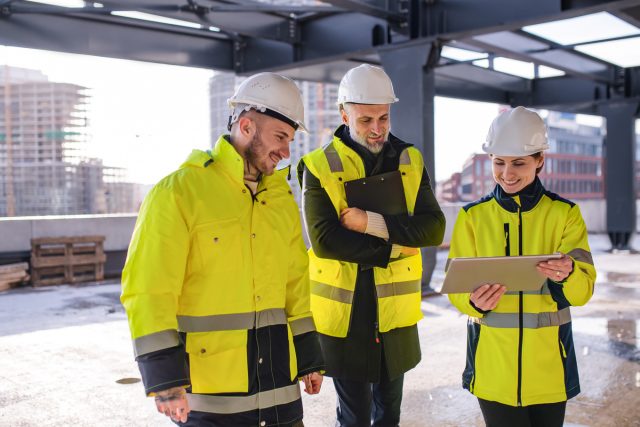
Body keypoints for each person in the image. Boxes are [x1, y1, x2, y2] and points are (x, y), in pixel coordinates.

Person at [121, 72, 324, 427]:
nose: (286, 151)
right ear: (246, 127)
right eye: (280, 137)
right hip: (212, 396)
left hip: (280, 391)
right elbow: (149, 289)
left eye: (290, 140)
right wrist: (165, 379)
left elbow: (296, 283)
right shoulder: (179, 192)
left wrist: (309, 357)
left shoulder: (280, 199)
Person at [297, 64, 445, 426]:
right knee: (355, 417)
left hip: (395, 313)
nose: (377, 129)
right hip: (348, 314)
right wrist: (396, 245)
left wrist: (369, 223)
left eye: (384, 117)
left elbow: (434, 228)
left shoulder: (410, 159)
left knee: (389, 415)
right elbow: (327, 240)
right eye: (365, 120)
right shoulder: (318, 165)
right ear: (344, 113)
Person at [447, 106, 596, 427]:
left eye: (519, 163)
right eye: (499, 162)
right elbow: (456, 288)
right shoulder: (472, 217)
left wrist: (569, 274)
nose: (507, 173)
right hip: (492, 369)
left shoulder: (565, 214)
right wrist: (472, 302)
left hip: (549, 368)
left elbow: (583, 293)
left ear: (540, 159)